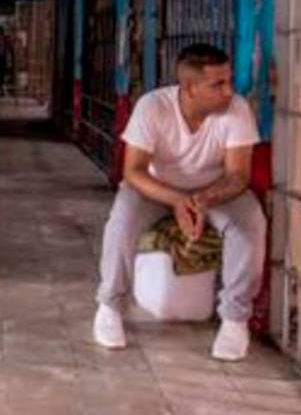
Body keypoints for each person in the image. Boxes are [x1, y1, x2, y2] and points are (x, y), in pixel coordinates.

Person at [92, 43, 265, 361]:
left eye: (229, 81)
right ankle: (110, 306)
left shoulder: (237, 109)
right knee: (122, 221)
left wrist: (202, 199)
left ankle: (235, 319)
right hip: (157, 188)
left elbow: (238, 176)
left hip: (217, 191)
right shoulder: (152, 106)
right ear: (189, 87)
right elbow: (133, 171)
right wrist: (177, 200)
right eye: (218, 84)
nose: (229, 91)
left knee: (250, 223)